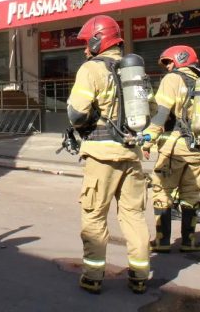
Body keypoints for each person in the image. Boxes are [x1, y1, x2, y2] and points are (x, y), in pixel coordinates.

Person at [66, 15, 151, 295]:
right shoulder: (133, 71)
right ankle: (140, 275)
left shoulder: (91, 69)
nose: (84, 49)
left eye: (86, 43)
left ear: (97, 40)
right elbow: (148, 112)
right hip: (132, 154)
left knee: (94, 216)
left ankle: (92, 276)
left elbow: (77, 114)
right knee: (134, 216)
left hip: (102, 156)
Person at [141, 45, 200, 253]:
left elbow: (161, 114)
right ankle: (189, 241)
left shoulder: (172, 79)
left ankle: (162, 241)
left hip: (174, 147)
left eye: (169, 62)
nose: (168, 67)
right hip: (197, 147)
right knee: (191, 194)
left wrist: (147, 140)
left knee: (162, 192)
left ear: (179, 59)